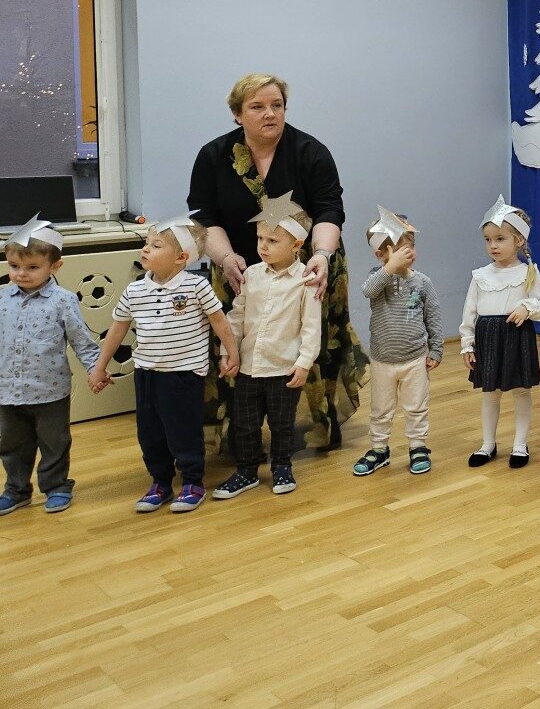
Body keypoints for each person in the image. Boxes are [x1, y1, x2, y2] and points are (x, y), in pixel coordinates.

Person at [188, 72, 366, 453]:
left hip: (308, 265)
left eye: (277, 105)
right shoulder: (213, 156)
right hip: (237, 266)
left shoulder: (311, 152)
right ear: (237, 114)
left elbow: (330, 210)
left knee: (311, 340)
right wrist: (225, 258)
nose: (270, 113)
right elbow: (204, 218)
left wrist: (321, 255)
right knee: (238, 341)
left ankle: (314, 424)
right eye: (257, 107)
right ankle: (242, 433)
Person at [90, 215, 239, 513]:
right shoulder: (135, 290)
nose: (146, 249)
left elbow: (220, 322)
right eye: (147, 243)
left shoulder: (196, 287)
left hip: (183, 374)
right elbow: (117, 329)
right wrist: (100, 366)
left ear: (181, 257)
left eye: (156, 245)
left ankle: (192, 482)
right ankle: (160, 482)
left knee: (183, 430)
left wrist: (231, 352)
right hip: (146, 373)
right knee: (150, 432)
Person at [214, 194, 322, 500]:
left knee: (281, 424)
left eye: (272, 240)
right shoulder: (251, 275)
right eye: (260, 238)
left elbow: (311, 326)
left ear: (296, 245)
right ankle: (246, 471)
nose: (263, 246)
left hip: (283, 368)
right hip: (249, 367)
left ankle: (282, 467)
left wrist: (304, 363)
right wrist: (228, 352)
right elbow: (236, 318)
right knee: (245, 424)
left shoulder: (306, 280)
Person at [0, 217, 100, 515]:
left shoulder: (63, 301)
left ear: (55, 266)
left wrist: (95, 369)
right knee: (11, 444)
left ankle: (56, 486)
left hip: (50, 391)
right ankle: (16, 490)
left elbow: (81, 340)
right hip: (7, 390)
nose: (21, 273)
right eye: (14, 266)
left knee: (54, 442)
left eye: (32, 267)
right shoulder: (2, 299)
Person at [460, 196, 540, 469]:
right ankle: (488, 444)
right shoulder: (480, 275)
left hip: (516, 336)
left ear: (518, 240)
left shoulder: (528, 272)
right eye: (488, 240)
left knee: (521, 391)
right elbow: (469, 312)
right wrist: (467, 344)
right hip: (488, 338)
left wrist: (527, 307)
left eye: (500, 239)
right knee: (491, 393)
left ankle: (520, 444)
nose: (493, 245)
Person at [353, 208, 443, 478]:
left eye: (411, 246)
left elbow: (433, 315)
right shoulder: (377, 278)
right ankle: (379, 449)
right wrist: (390, 268)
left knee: (416, 406)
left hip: (415, 358)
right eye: (400, 249)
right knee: (381, 408)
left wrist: (436, 348)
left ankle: (418, 446)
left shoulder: (422, 282)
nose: (408, 252)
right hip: (383, 359)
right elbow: (368, 290)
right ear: (380, 254)